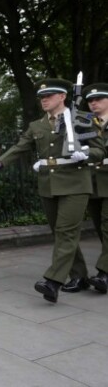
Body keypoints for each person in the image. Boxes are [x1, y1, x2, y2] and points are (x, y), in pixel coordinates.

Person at [0, 79, 104, 303]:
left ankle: (53, 281)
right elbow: (20, 147)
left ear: (62, 97)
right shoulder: (37, 125)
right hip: (48, 184)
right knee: (60, 233)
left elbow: (100, 150)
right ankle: (79, 276)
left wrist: (86, 153)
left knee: (66, 231)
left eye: (49, 96)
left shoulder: (82, 119)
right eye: (41, 97)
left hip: (76, 183)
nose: (44, 100)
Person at [83, 82, 108, 293]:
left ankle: (104, 274)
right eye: (90, 101)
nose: (93, 103)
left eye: (98, 99)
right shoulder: (86, 124)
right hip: (92, 182)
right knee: (100, 227)